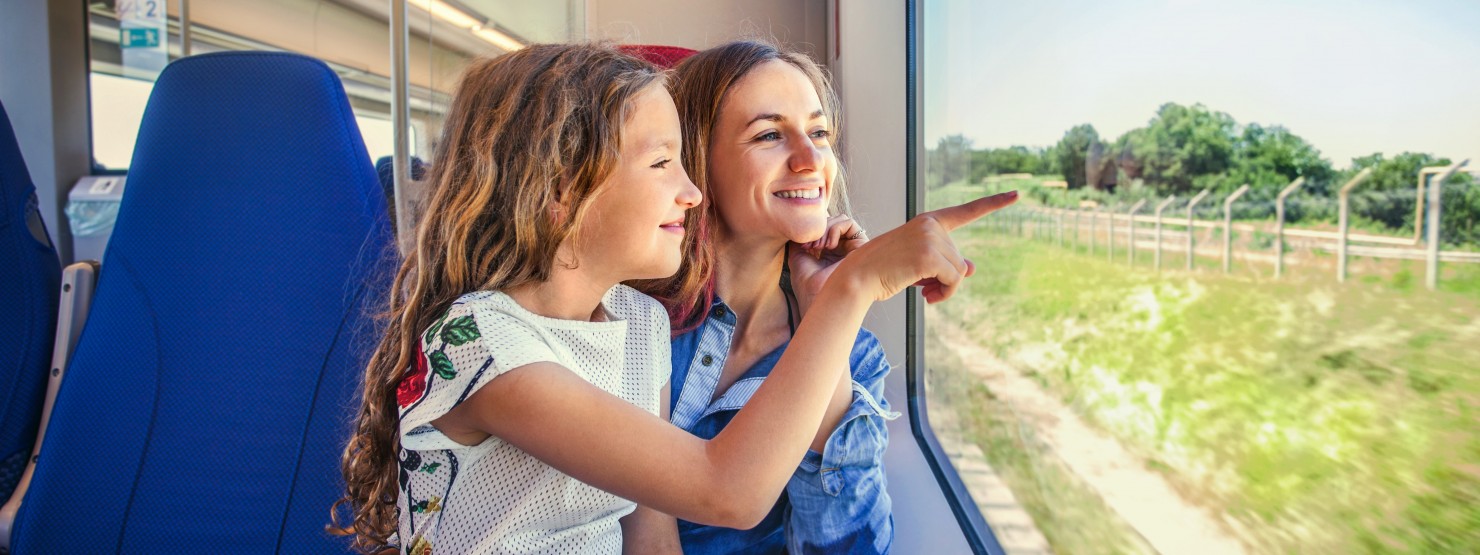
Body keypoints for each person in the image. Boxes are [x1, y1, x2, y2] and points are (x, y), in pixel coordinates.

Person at [333, 43, 1015, 555]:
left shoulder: (639, 324)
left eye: (820, 132)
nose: (687, 191)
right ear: (560, 192)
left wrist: (825, 310)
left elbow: (650, 532)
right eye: (666, 165)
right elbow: (726, 489)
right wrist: (857, 286)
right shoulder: (482, 343)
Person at [642, 40, 892, 554]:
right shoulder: (628, 314)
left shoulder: (858, 360)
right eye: (770, 134)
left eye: (819, 133)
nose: (809, 159)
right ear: (695, 158)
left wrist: (828, 309)